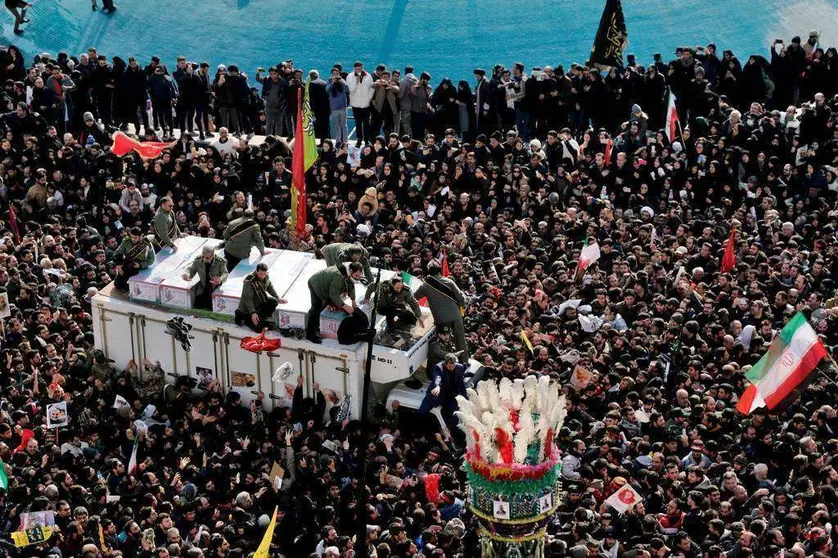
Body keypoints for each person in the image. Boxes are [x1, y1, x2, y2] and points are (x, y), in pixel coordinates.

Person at [415, 260, 469, 363]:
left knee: (442, 341)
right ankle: (464, 362)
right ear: (439, 270)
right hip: (456, 316)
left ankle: (446, 362)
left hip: (441, 319)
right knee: (461, 341)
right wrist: (463, 306)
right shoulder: (449, 281)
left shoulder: (425, 286)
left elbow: (414, 298)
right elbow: (461, 297)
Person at [305, 262, 363, 343]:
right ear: (350, 271)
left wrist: (353, 301)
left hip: (328, 286)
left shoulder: (348, 272)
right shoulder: (339, 277)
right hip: (316, 284)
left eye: (359, 276)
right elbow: (333, 294)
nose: (357, 278)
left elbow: (351, 285)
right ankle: (310, 335)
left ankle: (317, 326)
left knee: (329, 303)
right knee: (317, 309)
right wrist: (344, 306)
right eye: (356, 275)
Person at [418, 353, 467, 431]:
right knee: (422, 412)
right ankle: (432, 426)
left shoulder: (459, 367)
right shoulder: (438, 367)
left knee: (454, 416)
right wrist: (437, 386)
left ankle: (449, 430)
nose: (452, 368)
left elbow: (461, 383)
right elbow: (437, 377)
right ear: (445, 363)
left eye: (454, 366)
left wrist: (465, 397)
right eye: (450, 367)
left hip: (450, 396)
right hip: (436, 394)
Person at [235, 262, 285, 332]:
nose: (262, 276)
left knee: (273, 301)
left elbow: (269, 287)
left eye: (264, 274)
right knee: (259, 328)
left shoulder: (266, 276)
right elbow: (248, 299)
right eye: (260, 274)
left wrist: (278, 297)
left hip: (259, 303)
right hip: (248, 309)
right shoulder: (249, 281)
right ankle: (245, 318)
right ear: (256, 271)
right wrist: (253, 313)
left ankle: (263, 317)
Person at [181, 245, 228, 310]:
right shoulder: (198, 260)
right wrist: (187, 274)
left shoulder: (220, 262)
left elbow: (225, 273)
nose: (204, 259)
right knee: (197, 306)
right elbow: (191, 269)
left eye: (207, 258)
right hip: (203, 287)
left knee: (211, 307)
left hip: (214, 288)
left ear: (213, 255)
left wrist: (220, 280)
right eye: (203, 257)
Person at [346, 61, 373, 146]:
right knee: (358, 123)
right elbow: (350, 89)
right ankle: (359, 139)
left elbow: (372, 88)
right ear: (354, 68)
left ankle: (366, 140)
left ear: (362, 67)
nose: (358, 69)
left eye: (360, 67)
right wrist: (356, 82)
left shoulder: (368, 76)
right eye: (357, 68)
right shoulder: (350, 77)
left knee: (366, 124)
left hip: (366, 104)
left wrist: (369, 98)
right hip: (355, 104)